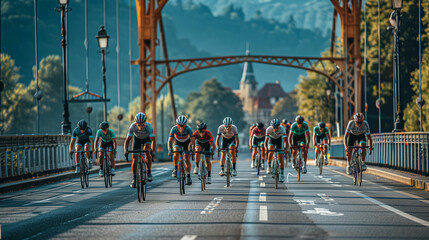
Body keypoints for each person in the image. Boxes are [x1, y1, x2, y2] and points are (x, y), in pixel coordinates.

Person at [124, 112, 156, 188]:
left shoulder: (149, 127)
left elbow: (153, 141)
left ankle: (149, 172)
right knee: (134, 159)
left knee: (146, 150)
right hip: (137, 139)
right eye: (139, 125)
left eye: (142, 125)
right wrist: (125, 150)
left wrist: (152, 151)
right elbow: (127, 140)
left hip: (146, 139)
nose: (141, 127)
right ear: (136, 124)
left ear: (145, 123)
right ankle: (134, 178)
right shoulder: (132, 127)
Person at [168, 115, 195, 185]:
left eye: (183, 125)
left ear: (185, 125)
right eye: (179, 125)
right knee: (176, 151)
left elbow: (192, 140)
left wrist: (192, 149)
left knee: (186, 158)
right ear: (177, 124)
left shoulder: (188, 129)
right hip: (178, 142)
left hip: (187, 142)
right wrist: (170, 150)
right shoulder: (174, 129)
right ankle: (176, 168)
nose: (181, 127)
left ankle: (188, 176)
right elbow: (170, 141)